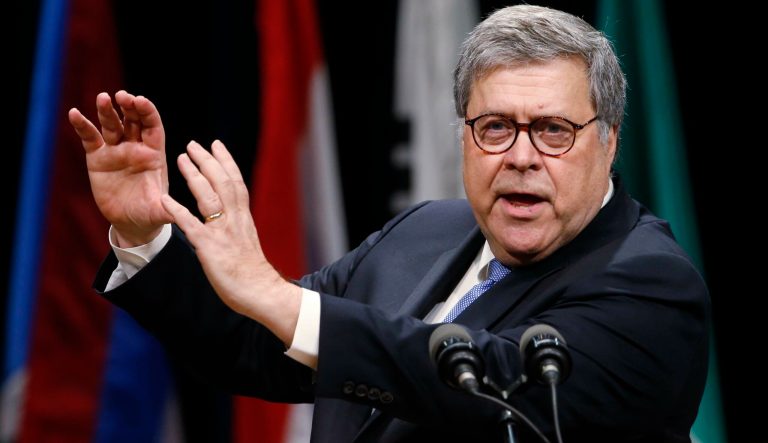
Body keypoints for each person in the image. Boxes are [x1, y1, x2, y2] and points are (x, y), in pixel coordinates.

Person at [68, 4, 708, 443]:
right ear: (463, 137)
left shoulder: (650, 283)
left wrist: (277, 297)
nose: (520, 156)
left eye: (552, 130)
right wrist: (145, 235)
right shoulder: (424, 233)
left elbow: (493, 381)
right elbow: (260, 344)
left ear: (609, 142)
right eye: (494, 128)